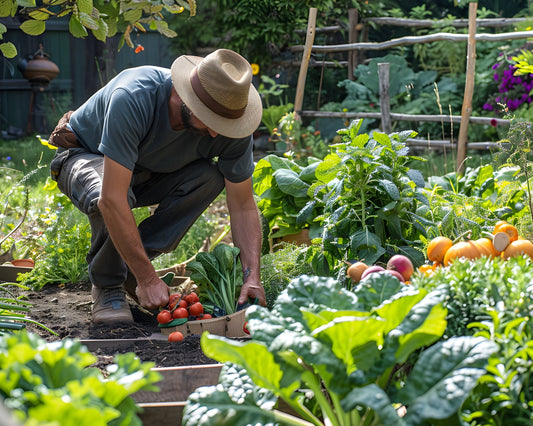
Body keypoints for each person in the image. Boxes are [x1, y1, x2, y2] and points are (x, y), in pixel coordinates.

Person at [48, 48, 267, 324]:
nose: (215, 132)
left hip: (149, 174)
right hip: (85, 158)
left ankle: (127, 267)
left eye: (223, 124)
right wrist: (149, 278)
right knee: (107, 189)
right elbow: (112, 199)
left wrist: (253, 276)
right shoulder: (134, 97)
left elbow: (244, 206)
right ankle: (108, 284)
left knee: (209, 178)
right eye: (211, 121)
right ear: (186, 97)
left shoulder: (230, 128)